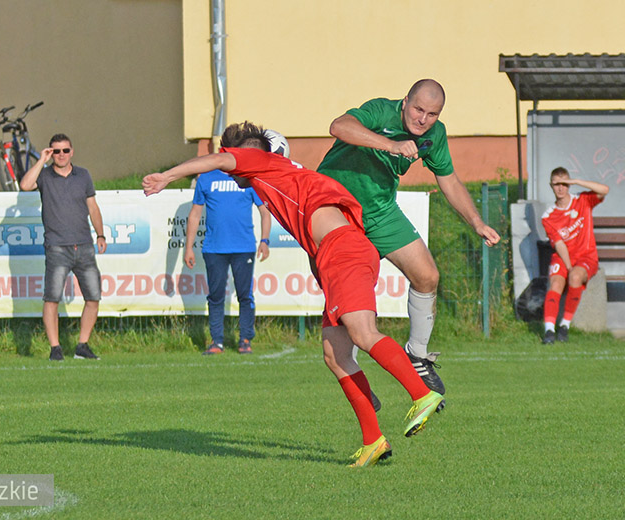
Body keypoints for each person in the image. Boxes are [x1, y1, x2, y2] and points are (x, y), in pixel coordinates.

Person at [143, 122, 444, 468]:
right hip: (337, 255)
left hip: (343, 250)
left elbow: (216, 161)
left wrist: (167, 176)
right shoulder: (277, 175)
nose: (230, 166)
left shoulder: (257, 163)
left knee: (362, 334)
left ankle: (421, 393)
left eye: (233, 156)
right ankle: (373, 441)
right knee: (335, 354)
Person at [317, 79, 500, 396]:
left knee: (427, 275)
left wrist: (476, 222)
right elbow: (339, 126)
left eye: (432, 114)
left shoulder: (434, 134)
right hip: (334, 213)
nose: (423, 119)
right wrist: (391, 145)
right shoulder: (380, 110)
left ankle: (417, 353)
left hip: (379, 211)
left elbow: (450, 180)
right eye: (418, 109)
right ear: (404, 102)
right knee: (348, 314)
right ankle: (358, 384)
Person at [20, 133, 107, 361]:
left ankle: (82, 346)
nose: (60, 155)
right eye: (55, 151)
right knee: (52, 299)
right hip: (57, 247)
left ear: (72, 151)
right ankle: (55, 348)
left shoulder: (83, 175)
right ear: (51, 152)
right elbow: (25, 185)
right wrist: (41, 160)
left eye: (65, 150)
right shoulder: (45, 176)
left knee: (93, 297)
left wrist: (100, 234)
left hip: (84, 245)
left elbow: (93, 207)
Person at [185, 168, 272, 355]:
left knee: (245, 295)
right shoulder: (206, 179)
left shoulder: (248, 177)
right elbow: (195, 214)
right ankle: (217, 342)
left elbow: (265, 211)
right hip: (214, 248)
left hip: (244, 247)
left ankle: (245, 339)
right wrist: (188, 247)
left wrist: (265, 240)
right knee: (215, 296)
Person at [540, 167, 609, 344]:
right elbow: (560, 244)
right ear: (551, 186)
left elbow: (605, 190)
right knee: (555, 282)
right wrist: (569, 265)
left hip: (586, 256)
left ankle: (564, 326)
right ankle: (548, 331)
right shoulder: (548, 217)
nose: (561, 188)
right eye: (556, 184)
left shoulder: (583, 200)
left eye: (565, 183)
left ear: (569, 184)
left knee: (576, 276)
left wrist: (577, 181)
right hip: (564, 257)